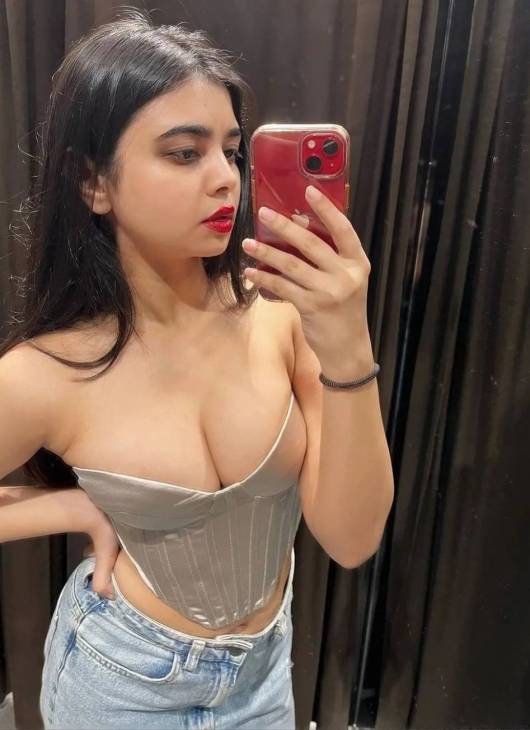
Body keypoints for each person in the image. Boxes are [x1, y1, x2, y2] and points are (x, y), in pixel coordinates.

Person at [0, 9, 307, 729]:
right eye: (184, 153)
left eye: (231, 152)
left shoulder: (279, 315)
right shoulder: (46, 373)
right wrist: (68, 508)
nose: (225, 180)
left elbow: (355, 538)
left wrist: (348, 338)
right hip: (120, 681)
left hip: (264, 676)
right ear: (93, 182)